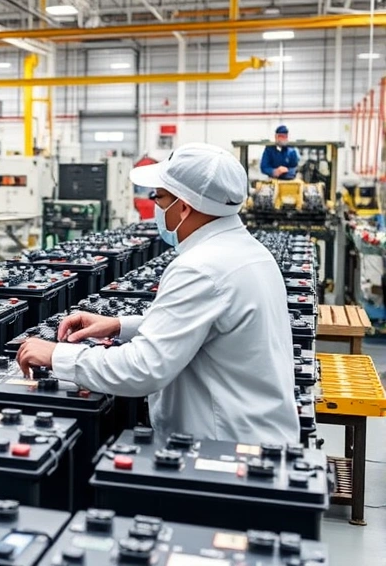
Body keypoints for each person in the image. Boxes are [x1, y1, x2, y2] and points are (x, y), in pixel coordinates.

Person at [16, 142, 300, 446]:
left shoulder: (200, 268)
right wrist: (119, 326)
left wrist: (58, 355)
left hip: (225, 449)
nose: (155, 206)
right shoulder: (249, 252)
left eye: (160, 197)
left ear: (184, 207)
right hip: (258, 437)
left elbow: (144, 369)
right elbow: (206, 327)